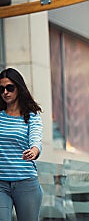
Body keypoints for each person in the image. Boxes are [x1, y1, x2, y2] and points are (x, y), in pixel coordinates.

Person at [0, 67, 43, 221]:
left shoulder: (31, 116)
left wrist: (34, 150)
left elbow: (36, 137)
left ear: (19, 88)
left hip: (26, 183)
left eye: (10, 88)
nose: (5, 92)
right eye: (2, 88)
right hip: (1, 184)